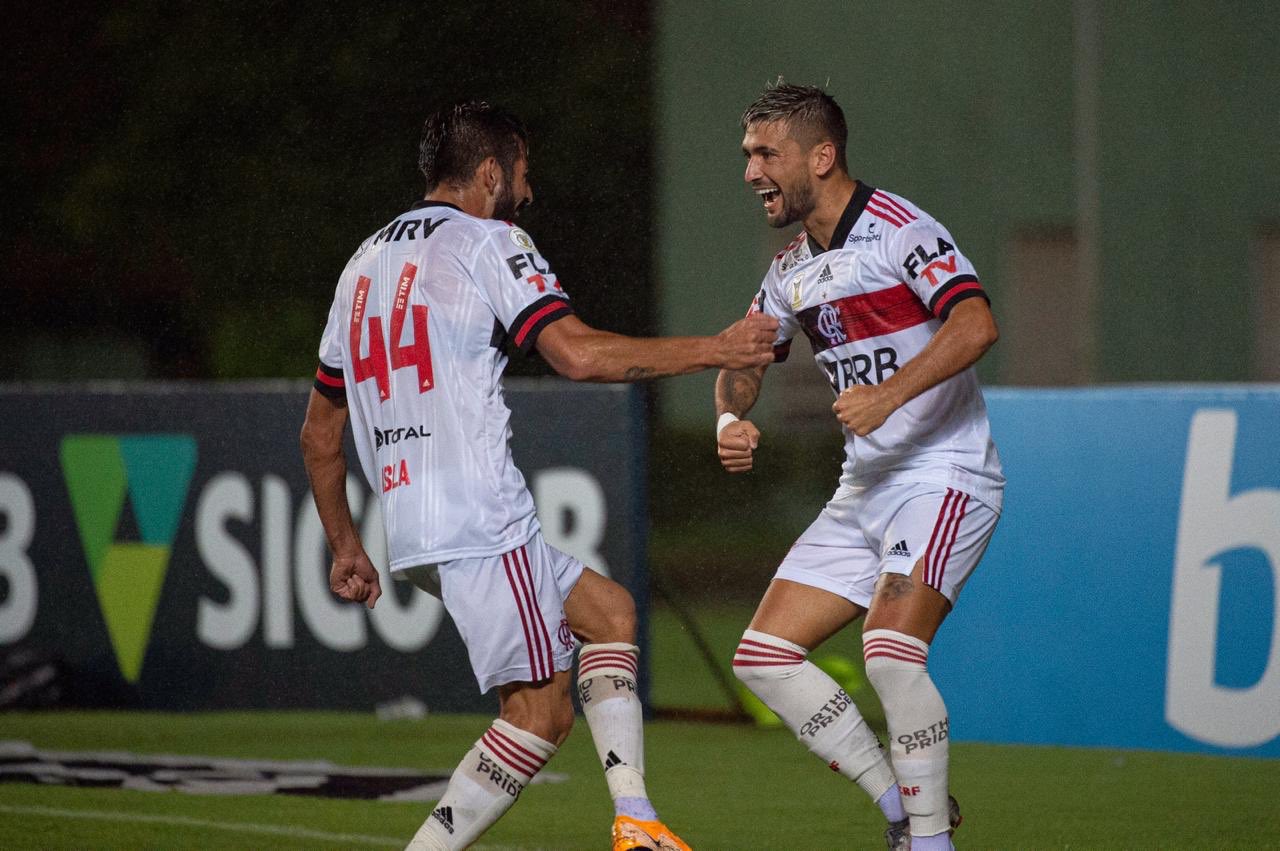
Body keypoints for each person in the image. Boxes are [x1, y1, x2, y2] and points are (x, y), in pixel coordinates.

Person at [300, 99, 777, 851]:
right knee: (539, 714)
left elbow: (319, 433)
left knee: (611, 613)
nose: (529, 191)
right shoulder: (492, 241)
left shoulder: (361, 264)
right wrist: (717, 349)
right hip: (482, 516)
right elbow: (578, 355)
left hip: (414, 525)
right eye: (523, 173)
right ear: (491, 172)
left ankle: (637, 822)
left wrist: (344, 544)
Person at [715, 83, 1004, 851]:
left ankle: (932, 841)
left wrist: (891, 393)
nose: (751, 171)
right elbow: (744, 354)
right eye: (748, 155)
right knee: (764, 656)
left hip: (945, 473)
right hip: (867, 487)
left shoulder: (901, 230)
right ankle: (895, 805)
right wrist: (730, 414)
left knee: (890, 651)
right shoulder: (790, 269)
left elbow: (977, 322)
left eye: (765, 153)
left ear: (822, 155)